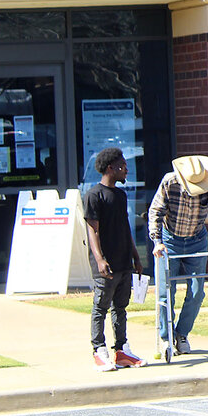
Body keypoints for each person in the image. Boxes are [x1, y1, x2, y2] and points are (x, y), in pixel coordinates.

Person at [148, 154, 208, 354]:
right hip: (169, 240)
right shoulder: (169, 182)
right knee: (166, 292)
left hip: (196, 240)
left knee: (197, 292)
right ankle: (166, 338)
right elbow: (155, 212)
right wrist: (157, 242)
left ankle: (181, 334)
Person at [84, 147, 145, 371]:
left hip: (123, 261)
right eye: (123, 166)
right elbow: (93, 230)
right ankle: (99, 351)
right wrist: (100, 259)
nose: (127, 169)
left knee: (121, 307)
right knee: (101, 307)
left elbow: (125, 228)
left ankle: (121, 351)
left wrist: (136, 256)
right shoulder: (93, 195)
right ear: (111, 168)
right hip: (106, 264)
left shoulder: (120, 195)